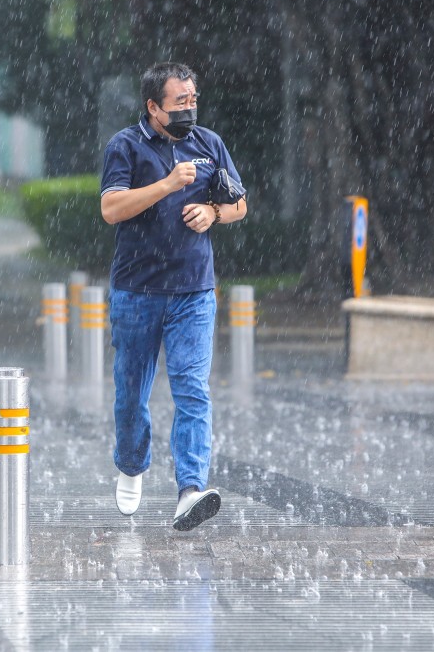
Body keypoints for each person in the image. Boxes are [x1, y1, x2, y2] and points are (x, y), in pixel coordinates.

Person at [100, 62, 248, 531]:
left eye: (192, 99)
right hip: (136, 291)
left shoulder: (209, 143)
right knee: (130, 396)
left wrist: (213, 212)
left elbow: (239, 202)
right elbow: (111, 209)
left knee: (192, 389)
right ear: (152, 106)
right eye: (179, 101)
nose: (189, 108)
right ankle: (131, 464)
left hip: (193, 291)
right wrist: (167, 184)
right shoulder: (125, 146)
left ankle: (190, 489)